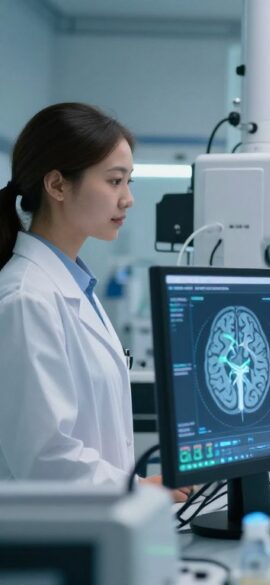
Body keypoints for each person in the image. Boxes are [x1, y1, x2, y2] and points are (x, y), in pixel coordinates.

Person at [0, 103, 187, 500]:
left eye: (128, 181)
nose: (128, 199)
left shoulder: (74, 287)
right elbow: (44, 457)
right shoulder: (25, 299)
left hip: (98, 523)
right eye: (115, 181)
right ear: (57, 186)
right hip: (54, 538)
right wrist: (140, 489)